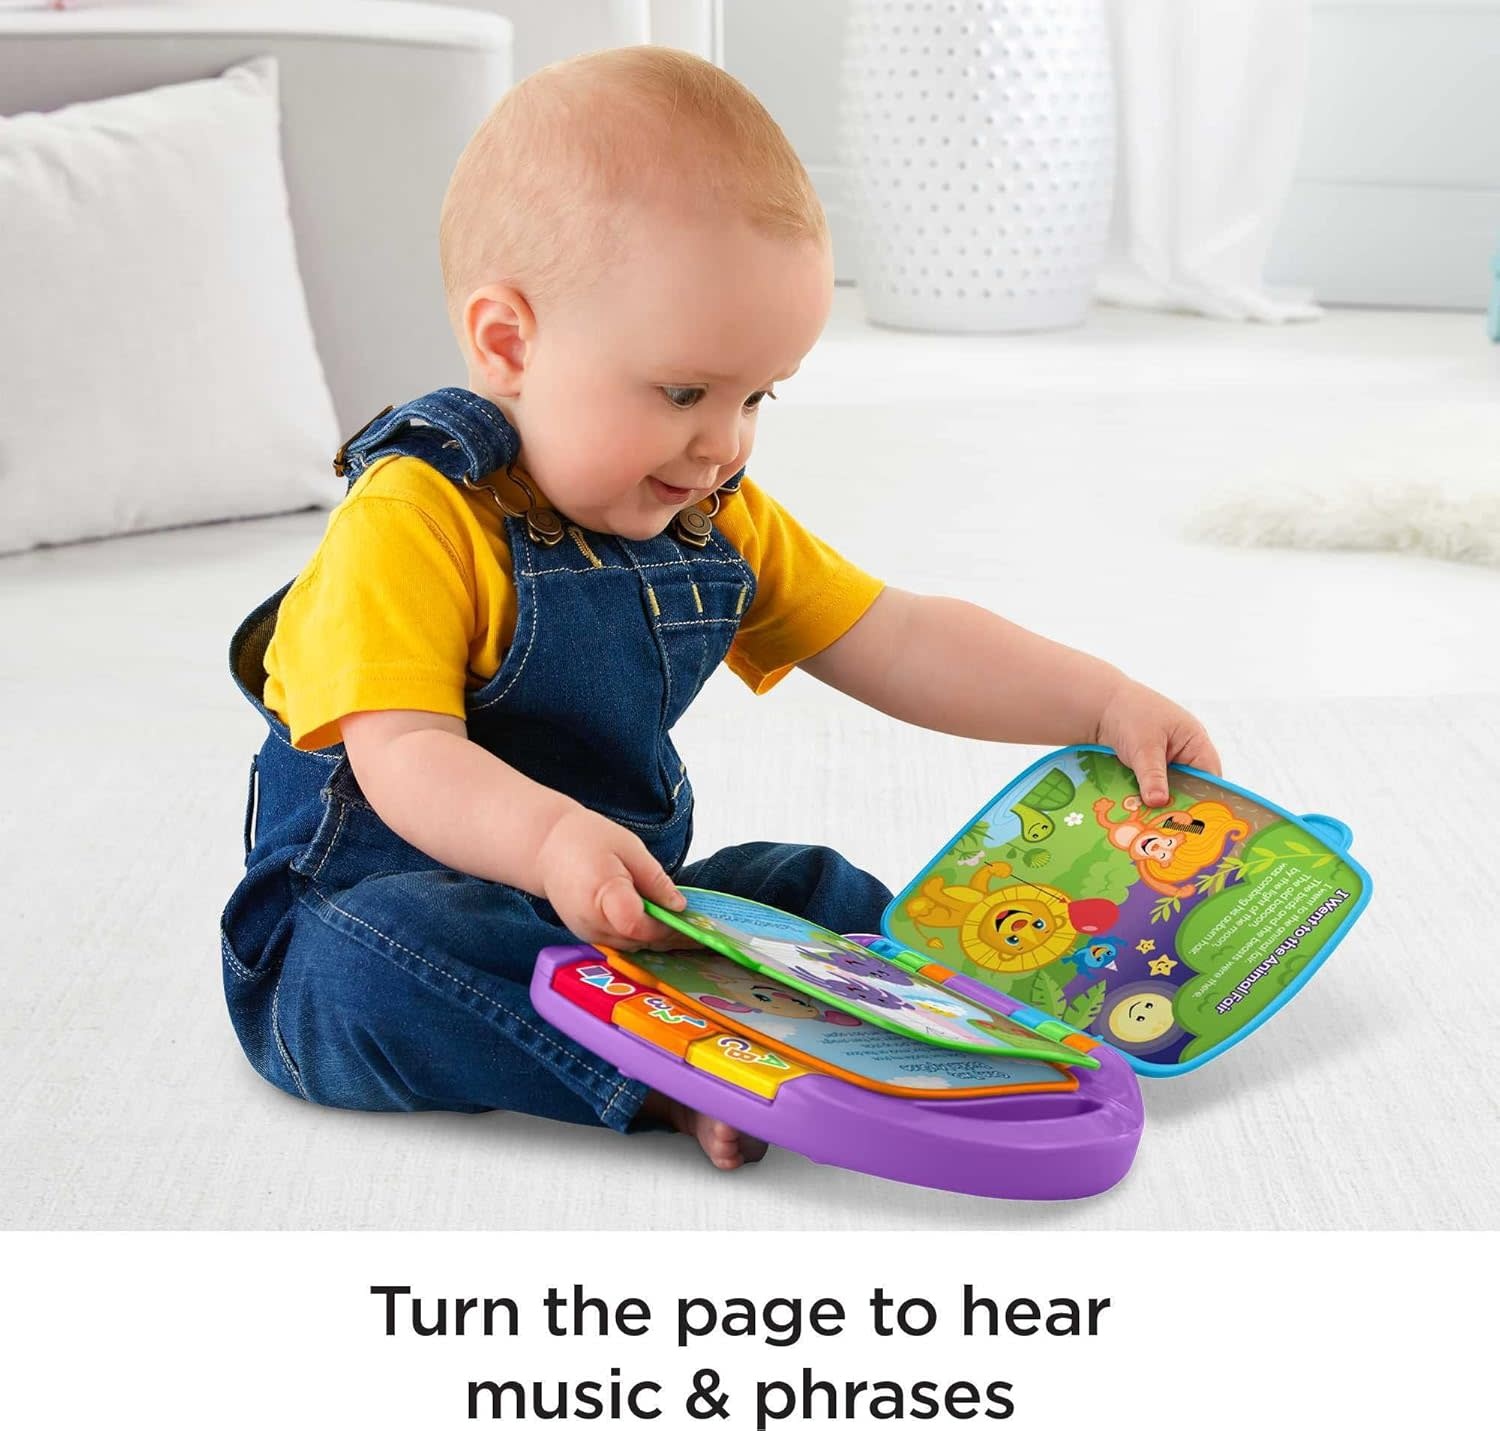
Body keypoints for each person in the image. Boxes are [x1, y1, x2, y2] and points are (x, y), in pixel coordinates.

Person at [221, 46, 1220, 1172]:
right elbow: (405, 756)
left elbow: (894, 634)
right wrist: (551, 843)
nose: (724, 443)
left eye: (757, 396)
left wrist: (1099, 701)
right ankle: (669, 1077)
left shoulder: (707, 513)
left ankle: (953, 1015)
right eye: (686, 391)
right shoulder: (412, 518)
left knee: (807, 888)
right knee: (374, 960)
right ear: (509, 342)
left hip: (620, 912)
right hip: (366, 909)